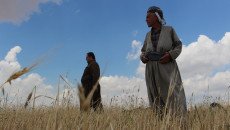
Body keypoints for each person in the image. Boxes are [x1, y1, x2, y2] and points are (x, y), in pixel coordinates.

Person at [140, 6, 187, 116]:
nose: (146, 19)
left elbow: (178, 46)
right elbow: (143, 51)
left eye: (148, 17)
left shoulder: (169, 30)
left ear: (156, 17)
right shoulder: (148, 35)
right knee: (155, 97)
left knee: (173, 95)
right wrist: (143, 57)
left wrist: (170, 55)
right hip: (151, 69)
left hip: (166, 67)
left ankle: (179, 122)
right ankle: (161, 123)